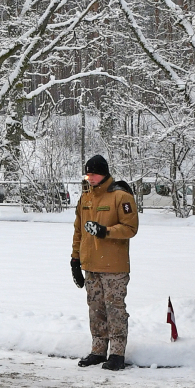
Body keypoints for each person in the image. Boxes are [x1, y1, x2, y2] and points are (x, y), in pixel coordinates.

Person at [70, 156, 139, 371]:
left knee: (115, 309)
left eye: (94, 174)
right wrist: (75, 259)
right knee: (96, 309)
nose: (89, 178)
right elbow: (78, 231)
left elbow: (130, 228)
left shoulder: (121, 196)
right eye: (87, 174)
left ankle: (117, 352)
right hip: (91, 265)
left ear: (104, 173)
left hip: (114, 267)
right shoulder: (86, 198)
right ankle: (98, 350)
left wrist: (105, 231)